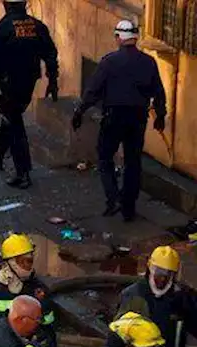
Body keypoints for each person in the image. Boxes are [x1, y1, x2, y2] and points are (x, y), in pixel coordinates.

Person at [72, 19, 167, 221]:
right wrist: (160, 115)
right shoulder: (148, 63)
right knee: (133, 162)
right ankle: (128, 207)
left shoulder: (109, 62)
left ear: (118, 38)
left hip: (114, 117)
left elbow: (93, 90)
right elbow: (158, 92)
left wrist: (80, 111)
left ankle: (113, 197)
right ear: (135, 38)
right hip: (137, 118)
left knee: (105, 157)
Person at [0, 0, 59, 189]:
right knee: (10, 117)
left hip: (8, 84)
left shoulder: (2, 28)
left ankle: (23, 173)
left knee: (14, 124)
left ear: (6, 4)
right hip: (28, 83)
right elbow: (51, 54)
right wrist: (53, 81)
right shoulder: (38, 27)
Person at [117, 245, 197, 347]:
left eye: (167, 274)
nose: (162, 278)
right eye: (159, 272)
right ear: (150, 268)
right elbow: (117, 334)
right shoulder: (132, 296)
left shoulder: (183, 297)